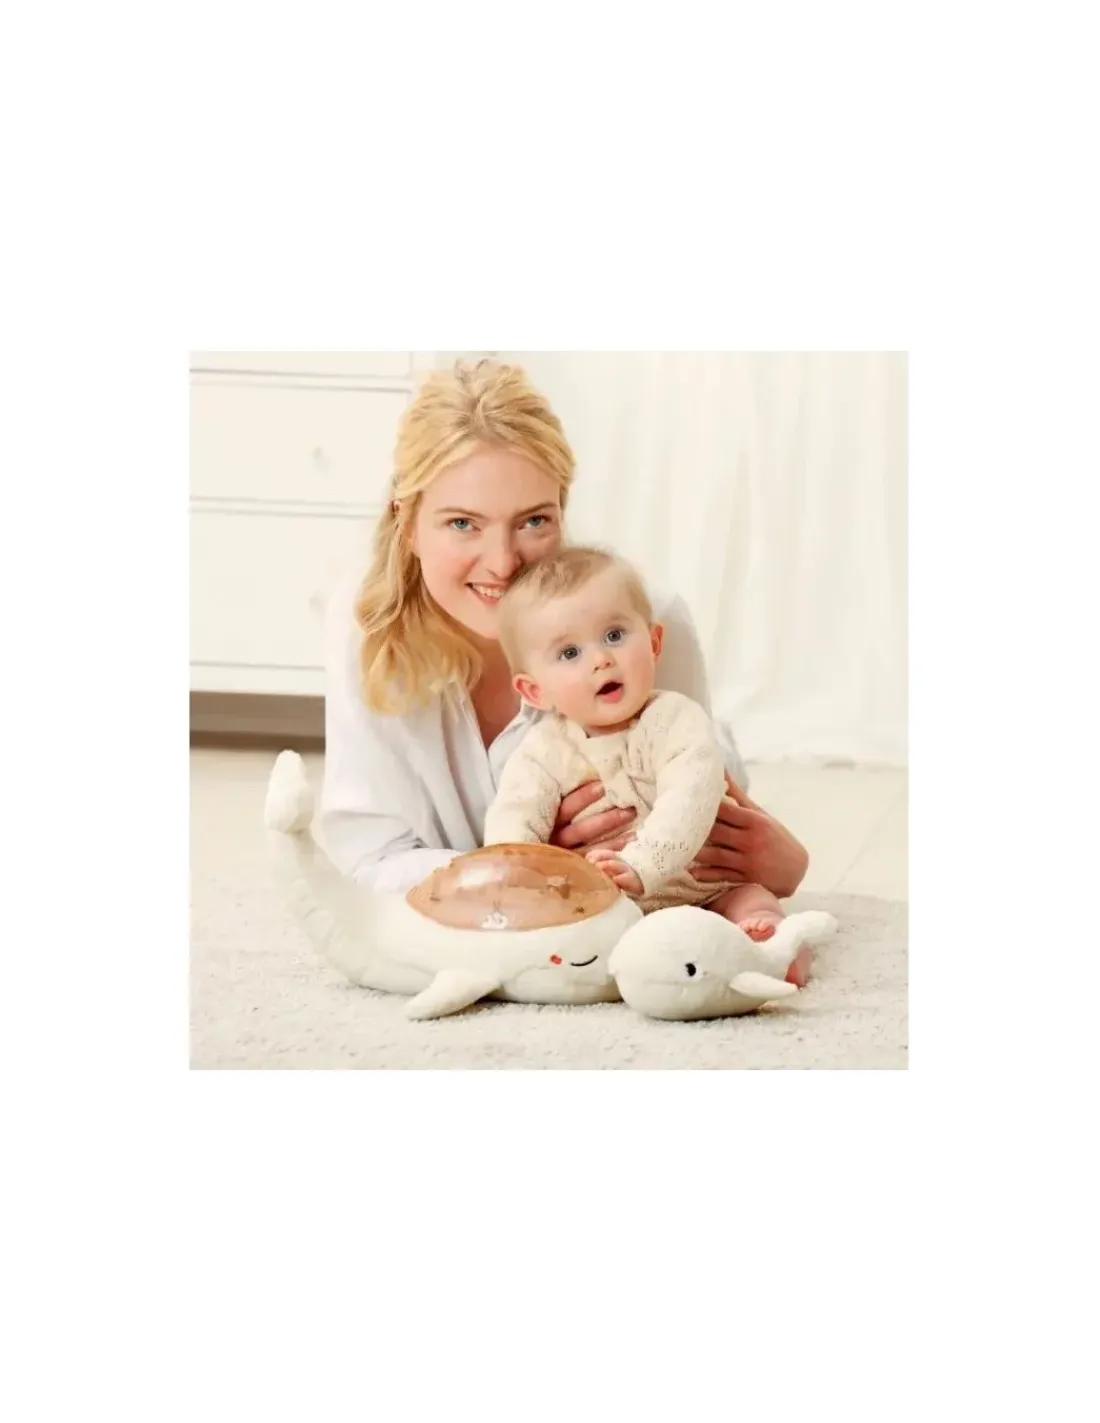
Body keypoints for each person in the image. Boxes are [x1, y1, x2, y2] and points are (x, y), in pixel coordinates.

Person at [320, 359, 809, 907]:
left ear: (561, 510)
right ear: (407, 523)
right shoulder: (366, 627)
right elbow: (367, 862)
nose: (503, 563)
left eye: (533, 521)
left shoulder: (646, 620)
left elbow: (695, 821)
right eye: (463, 523)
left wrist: (785, 865)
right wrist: (528, 865)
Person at [483, 545, 808, 984]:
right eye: (570, 653)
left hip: (706, 886)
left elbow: (689, 798)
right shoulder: (542, 750)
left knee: (751, 902)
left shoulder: (677, 720)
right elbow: (517, 814)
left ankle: (772, 949)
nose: (601, 659)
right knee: (578, 941)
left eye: (614, 635)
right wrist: (512, 878)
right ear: (535, 691)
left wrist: (644, 864)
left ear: (654, 643)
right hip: (614, 902)